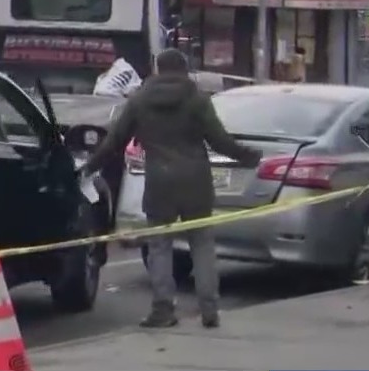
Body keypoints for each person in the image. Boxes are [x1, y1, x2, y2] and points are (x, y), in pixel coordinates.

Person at [79, 49, 261, 328]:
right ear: (184, 70)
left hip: (159, 181)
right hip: (195, 180)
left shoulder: (139, 101)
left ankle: (163, 309)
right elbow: (220, 140)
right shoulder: (197, 101)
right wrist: (248, 156)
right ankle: (209, 309)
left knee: (159, 247)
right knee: (201, 244)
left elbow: (114, 142)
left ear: (157, 70)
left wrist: (89, 167)